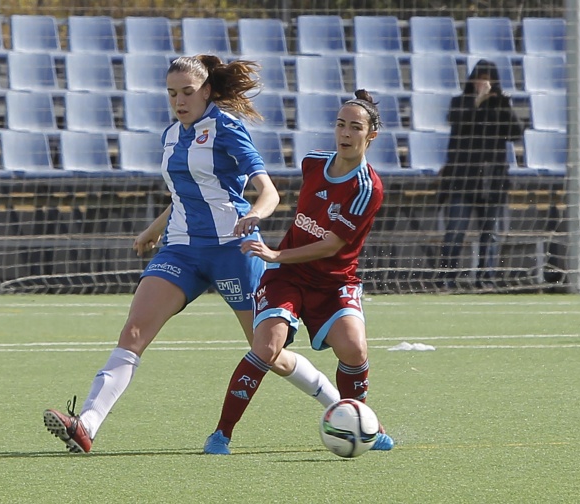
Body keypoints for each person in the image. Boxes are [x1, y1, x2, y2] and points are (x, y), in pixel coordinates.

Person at [43, 55, 339, 453]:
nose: (179, 101)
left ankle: (339, 406)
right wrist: (154, 229)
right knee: (133, 332)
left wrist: (253, 214)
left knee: (268, 352)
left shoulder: (227, 128)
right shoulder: (171, 134)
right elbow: (185, 192)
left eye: (187, 92)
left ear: (207, 91)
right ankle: (88, 426)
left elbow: (269, 191)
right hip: (181, 249)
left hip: (233, 250)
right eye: (171, 93)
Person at [203, 89, 395, 455]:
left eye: (355, 127)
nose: (345, 133)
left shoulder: (367, 189)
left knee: (354, 349)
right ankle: (221, 435)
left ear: (371, 136)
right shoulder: (312, 163)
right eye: (340, 124)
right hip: (288, 276)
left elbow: (331, 246)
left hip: (334, 282)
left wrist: (275, 254)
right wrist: (260, 225)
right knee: (267, 346)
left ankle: (362, 425)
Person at [437, 59, 524, 290]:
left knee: (491, 234)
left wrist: (503, 104)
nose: (483, 83)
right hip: (462, 179)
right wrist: (477, 101)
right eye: (479, 77)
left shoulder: (501, 105)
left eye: (488, 78)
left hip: (492, 180)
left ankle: (485, 278)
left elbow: (516, 132)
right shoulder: (460, 103)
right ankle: (446, 278)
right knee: (455, 230)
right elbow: (458, 124)